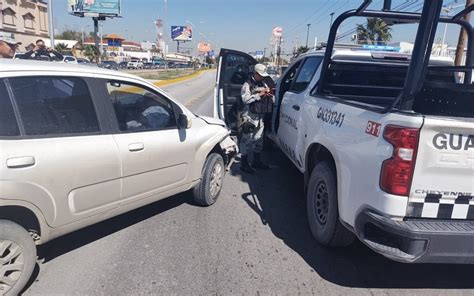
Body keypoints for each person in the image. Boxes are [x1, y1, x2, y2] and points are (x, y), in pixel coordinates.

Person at [239, 63, 273, 174]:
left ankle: (256, 161)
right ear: (255, 73)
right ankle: (244, 164)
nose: (263, 77)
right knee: (247, 140)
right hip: (249, 116)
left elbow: (266, 90)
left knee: (259, 140)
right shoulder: (247, 85)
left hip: (260, 116)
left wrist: (267, 93)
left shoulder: (262, 82)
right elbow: (246, 100)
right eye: (261, 75)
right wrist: (259, 95)